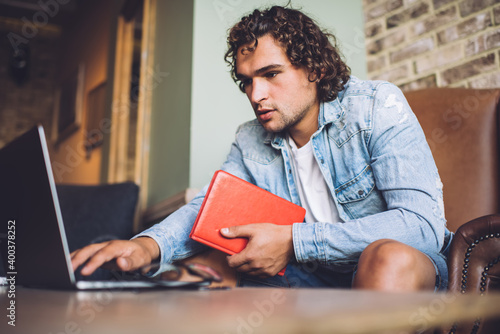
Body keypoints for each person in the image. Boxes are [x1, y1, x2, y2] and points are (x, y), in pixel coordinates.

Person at [71, 5, 452, 291]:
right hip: (313, 280)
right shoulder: (250, 138)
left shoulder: (376, 106)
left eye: (271, 75)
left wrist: (294, 242)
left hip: (399, 273)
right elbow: (209, 211)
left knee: (386, 257)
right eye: (247, 82)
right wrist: (148, 247)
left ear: (315, 69)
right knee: (215, 264)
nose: (256, 95)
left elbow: (423, 226)